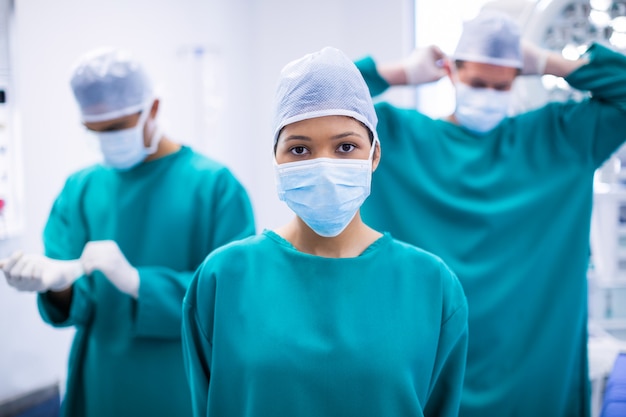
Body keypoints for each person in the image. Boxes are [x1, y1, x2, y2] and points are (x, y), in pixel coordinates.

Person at [354, 9, 626, 417]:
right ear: (451, 72)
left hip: (531, 380)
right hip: (430, 373)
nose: (487, 95)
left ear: (520, 77)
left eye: (502, 85)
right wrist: (397, 73)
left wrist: (550, 62)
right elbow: (317, 101)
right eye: (477, 83)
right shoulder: (397, 141)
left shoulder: (558, 140)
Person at [181, 46, 469, 417]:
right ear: (276, 159)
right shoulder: (223, 279)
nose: (324, 166)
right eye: (300, 150)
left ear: (374, 155)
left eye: (346, 147)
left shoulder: (432, 285)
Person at [0, 47, 256, 417]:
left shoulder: (215, 186)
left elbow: (231, 299)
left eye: (117, 127)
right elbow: (78, 304)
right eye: (94, 131)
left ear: (153, 108)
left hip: (182, 386)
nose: (107, 140)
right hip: (102, 386)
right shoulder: (80, 189)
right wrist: (57, 285)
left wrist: (140, 282)